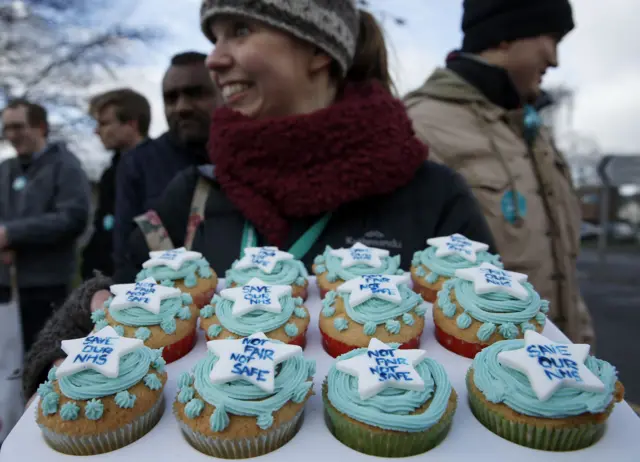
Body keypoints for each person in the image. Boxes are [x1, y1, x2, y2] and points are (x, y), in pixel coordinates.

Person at [22, 1, 495, 400]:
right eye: (214, 37)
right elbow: (125, 298)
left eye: (241, 31)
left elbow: (496, 338)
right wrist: (79, 321)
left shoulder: (431, 194)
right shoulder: (191, 194)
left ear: (317, 49)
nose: (214, 59)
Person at [403, 0, 594, 346]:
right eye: (550, 39)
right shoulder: (419, 127)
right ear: (505, 35)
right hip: (487, 374)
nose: (554, 59)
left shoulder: (532, 130)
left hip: (561, 369)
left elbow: (562, 268)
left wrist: (581, 346)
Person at [113, 51, 220, 271]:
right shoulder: (138, 164)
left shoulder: (248, 157)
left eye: (196, 94)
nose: (182, 107)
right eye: (171, 98)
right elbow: (125, 254)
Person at [0, 99, 91, 353]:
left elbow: (72, 218)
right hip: (7, 288)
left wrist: (11, 234)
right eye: (6, 128)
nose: (11, 135)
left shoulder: (66, 166)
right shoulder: (5, 169)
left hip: (47, 288)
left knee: (44, 363)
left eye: (18, 127)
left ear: (40, 127)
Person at [81, 88, 151, 280]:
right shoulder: (110, 174)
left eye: (104, 123)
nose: (96, 131)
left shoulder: (156, 169)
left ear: (131, 124)